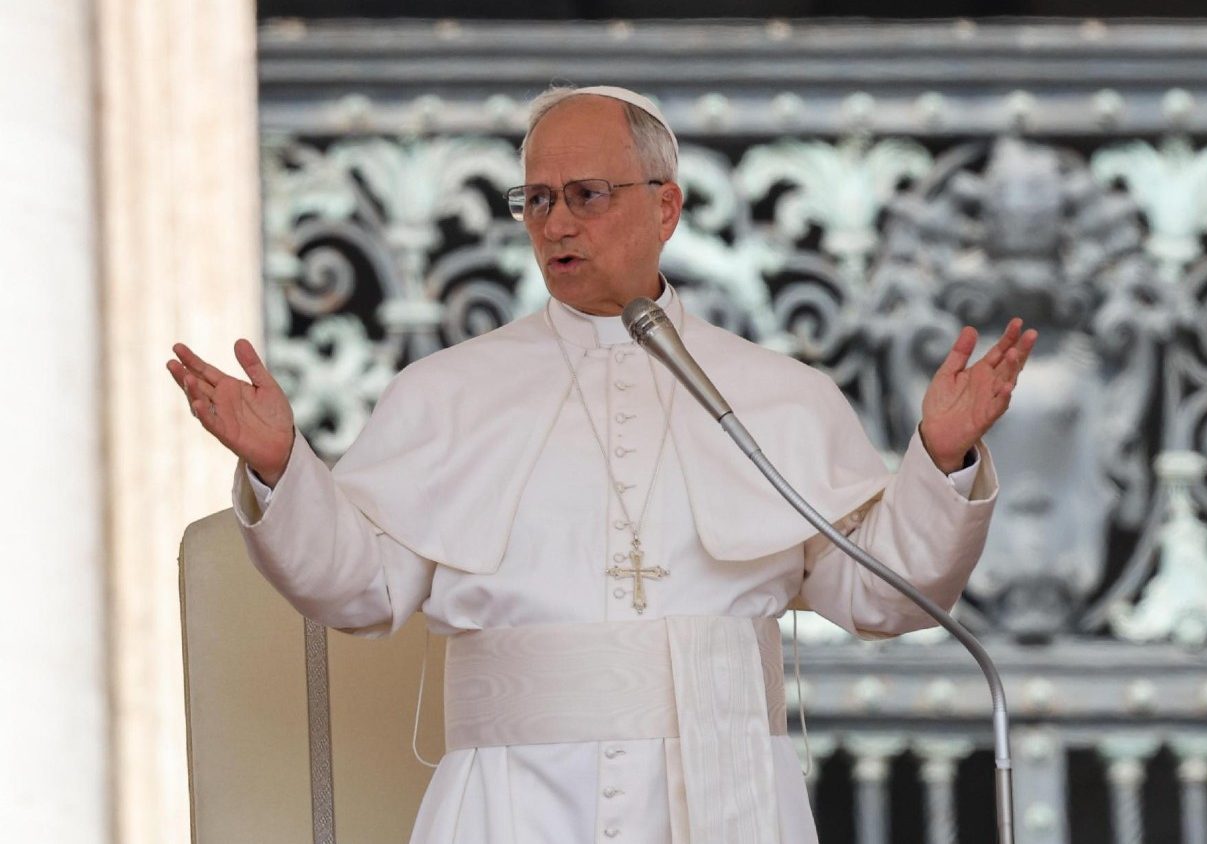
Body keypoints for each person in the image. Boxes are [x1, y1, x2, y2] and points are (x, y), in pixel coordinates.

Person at [168, 85, 1036, 844]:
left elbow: (882, 597)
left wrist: (941, 458)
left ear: (666, 207)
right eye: (537, 200)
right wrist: (283, 468)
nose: (556, 223)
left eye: (586, 194)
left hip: (731, 800)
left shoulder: (781, 395)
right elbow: (361, 590)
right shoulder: (445, 394)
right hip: (509, 806)